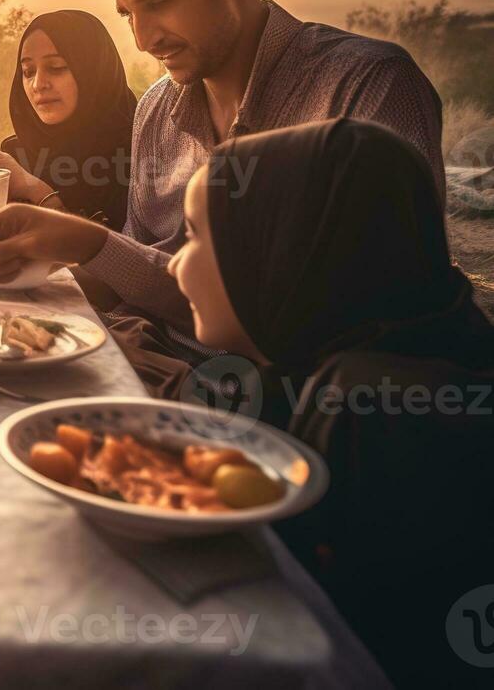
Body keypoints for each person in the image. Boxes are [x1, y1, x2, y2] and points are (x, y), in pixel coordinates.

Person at [0, 0, 444, 387]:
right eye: (129, 14)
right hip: (135, 356)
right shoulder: (155, 109)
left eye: (161, 1)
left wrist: (89, 242)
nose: (144, 39)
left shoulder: (363, 88)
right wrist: (40, 260)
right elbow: (142, 283)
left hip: (280, 407)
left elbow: (376, 328)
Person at [165, 118, 494, 684]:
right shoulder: (331, 369)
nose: (174, 261)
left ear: (282, 254)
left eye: (193, 235)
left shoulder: (378, 418)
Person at [0, 10, 136, 230]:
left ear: (94, 71)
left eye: (56, 68)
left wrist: (33, 189)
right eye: (28, 71)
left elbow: (119, 255)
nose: (38, 84)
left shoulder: (131, 156)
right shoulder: (17, 153)